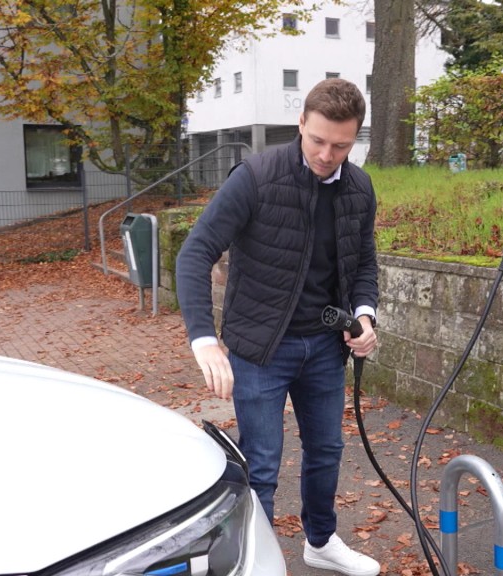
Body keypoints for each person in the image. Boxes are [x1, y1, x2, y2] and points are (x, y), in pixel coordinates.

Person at [176, 78, 380, 576]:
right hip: (260, 349)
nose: (327, 155)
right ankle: (260, 561)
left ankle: (321, 540)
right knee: (262, 464)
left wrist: (366, 314)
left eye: (341, 145)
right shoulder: (256, 177)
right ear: (301, 126)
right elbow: (195, 252)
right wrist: (203, 338)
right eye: (318, 141)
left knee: (327, 450)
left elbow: (365, 263)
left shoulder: (359, 187)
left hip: (326, 349)